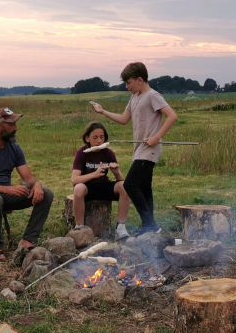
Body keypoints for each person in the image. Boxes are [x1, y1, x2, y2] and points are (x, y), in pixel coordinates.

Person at [89, 62, 178, 234]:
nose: (126, 86)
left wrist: (156, 137)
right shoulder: (134, 97)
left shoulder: (153, 95)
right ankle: (150, 229)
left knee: (130, 184)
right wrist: (103, 111)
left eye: (128, 83)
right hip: (139, 150)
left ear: (139, 79)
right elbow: (124, 119)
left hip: (149, 149)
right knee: (145, 188)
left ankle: (150, 224)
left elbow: (172, 116)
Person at [0, 107, 54, 262]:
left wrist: (37, 184)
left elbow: (28, 177)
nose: (16, 128)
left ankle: (27, 240)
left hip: (6, 195)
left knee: (46, 193)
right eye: (11, 125)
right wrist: (8, 189)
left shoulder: (15, 148)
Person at [71, 121, 131, 239]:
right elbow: (74, 179)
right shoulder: (82, 153)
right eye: (95, 137)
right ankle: (80, 228)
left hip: (104, 185)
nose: (99, 141)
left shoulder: (108, 153)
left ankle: (120, 227)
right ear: (87, 138)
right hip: (88, 188)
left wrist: (117, 172)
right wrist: (94, 174)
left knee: (125, 186)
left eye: (102, 137)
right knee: (78, 188)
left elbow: (122, 181)